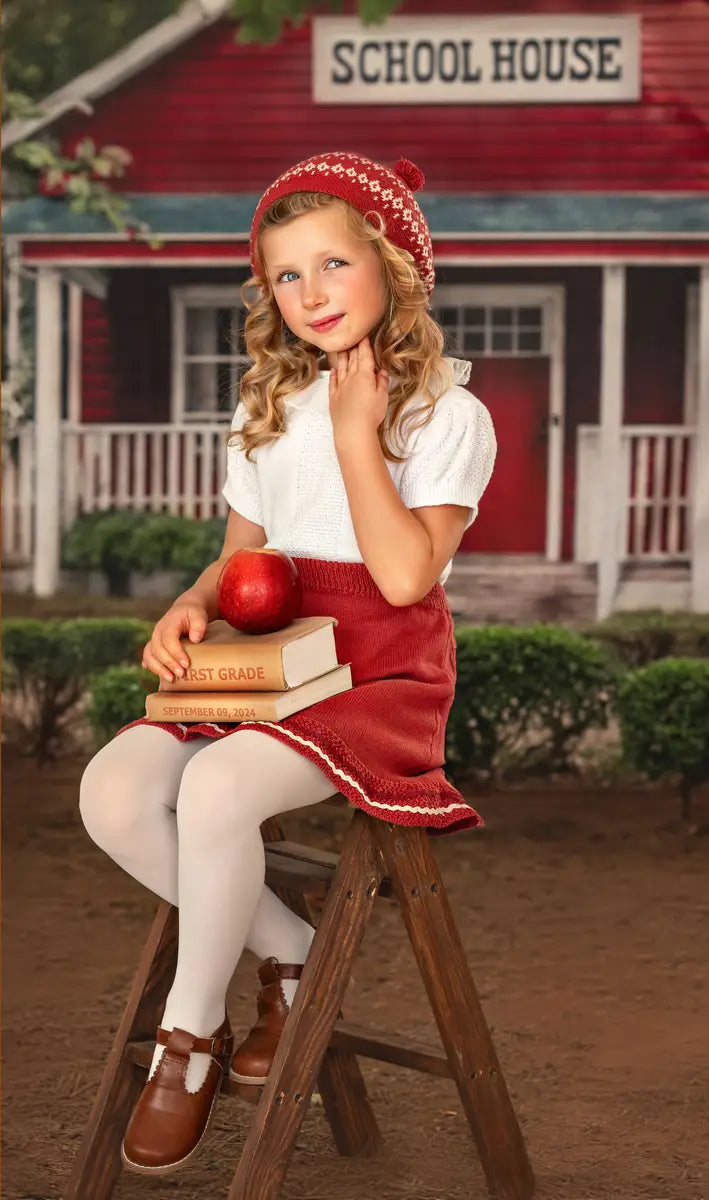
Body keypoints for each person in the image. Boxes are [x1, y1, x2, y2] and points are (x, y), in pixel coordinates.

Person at [77, 151, 497, 1177]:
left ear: (393, 268)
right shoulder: (266, 407)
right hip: (267, 652)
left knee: (218, 788)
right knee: (114, 793)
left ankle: (186, 1047)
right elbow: (239, 562)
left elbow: (402, 578)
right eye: (285, 275)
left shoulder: (449, 412)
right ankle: (292, 954)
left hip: (374, 669)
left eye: (332, 265)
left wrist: (360, 434)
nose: (309, 295)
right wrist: (190, 604)